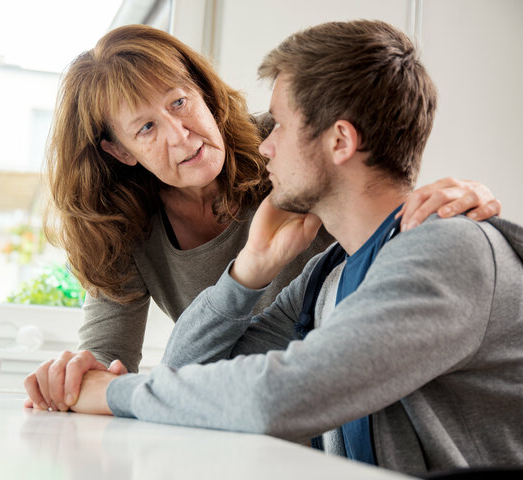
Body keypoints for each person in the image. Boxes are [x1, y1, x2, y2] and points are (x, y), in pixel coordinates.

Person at [67, 20, 523, 476]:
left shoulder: (444, 250)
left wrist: (108, 393)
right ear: (120, 151)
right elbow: (188, 377)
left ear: (339, 140)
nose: (263, 144)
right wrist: (248, 269)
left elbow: (278, 395)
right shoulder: (326, 275)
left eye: (278, 125)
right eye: (146, 126)